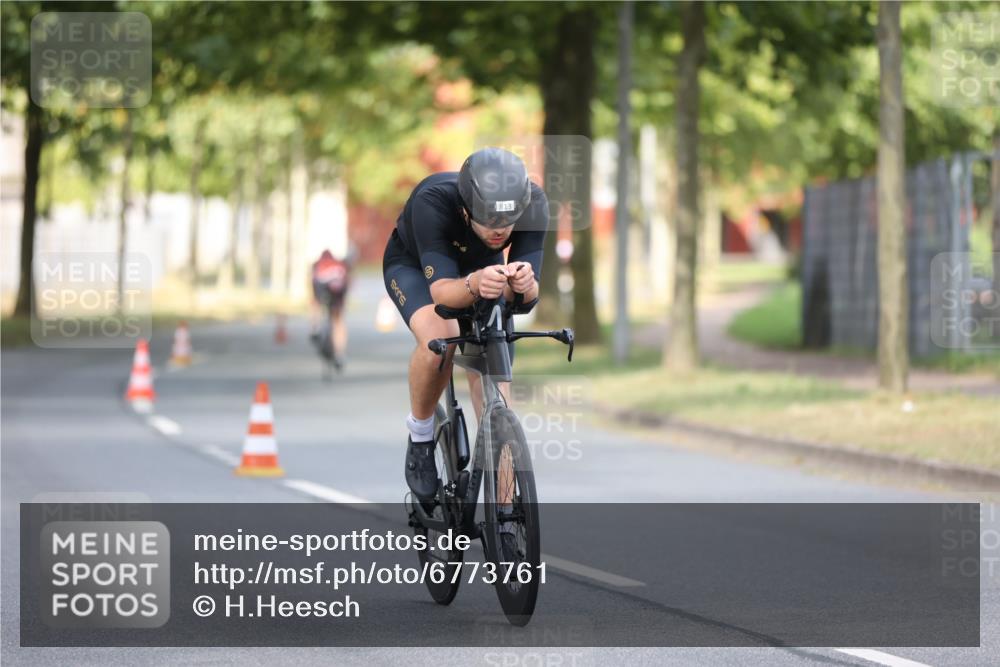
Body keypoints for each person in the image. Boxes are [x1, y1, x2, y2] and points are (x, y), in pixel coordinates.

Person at [381, 147, 549, 501]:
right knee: (441, 339)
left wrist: (525, 284)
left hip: (484, 269)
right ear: (465, 208)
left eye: (508, 221)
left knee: (496, 387)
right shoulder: (434, 201)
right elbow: (442, 294)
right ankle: (421, 436)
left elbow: (525, 297)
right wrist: (475, 284)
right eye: (488, 220)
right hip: (415, 266)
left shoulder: (534, 203)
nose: (500, 230)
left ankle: (504, 515)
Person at [310, 249, 351, 370]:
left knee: (315, 302)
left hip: (321, 284)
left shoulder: (318, 264)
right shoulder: (339, 265)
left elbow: (313, 282)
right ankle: (340, 354)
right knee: (338, 319)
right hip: (339, 287)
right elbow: (347, 281)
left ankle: (315, 327)